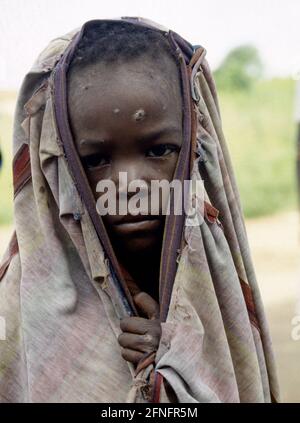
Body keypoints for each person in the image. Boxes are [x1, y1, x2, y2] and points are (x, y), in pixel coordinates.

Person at [0, 18, 279, 403]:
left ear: (196, 148)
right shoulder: (19, 311)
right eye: (95, 159)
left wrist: (178, 359)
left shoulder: (218, 291)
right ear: (59, 168)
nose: (129, 184)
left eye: (159, 150)